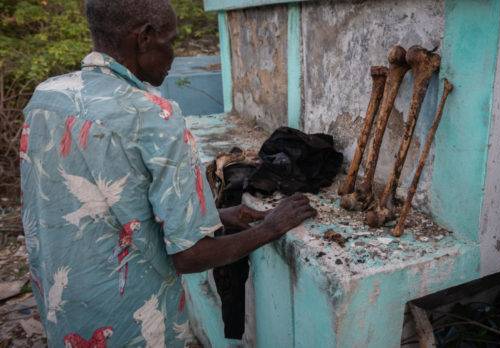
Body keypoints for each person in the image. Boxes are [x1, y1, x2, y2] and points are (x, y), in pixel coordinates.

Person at [20, 0, 316, 346]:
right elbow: (190, 256)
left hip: (65, 309)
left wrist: (215, 216)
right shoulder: (154, 117)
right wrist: (270, 228)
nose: (173, 54)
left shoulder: (47, 97)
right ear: (144, 38)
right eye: (170, 40)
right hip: (129, 321)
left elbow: (104, 210)